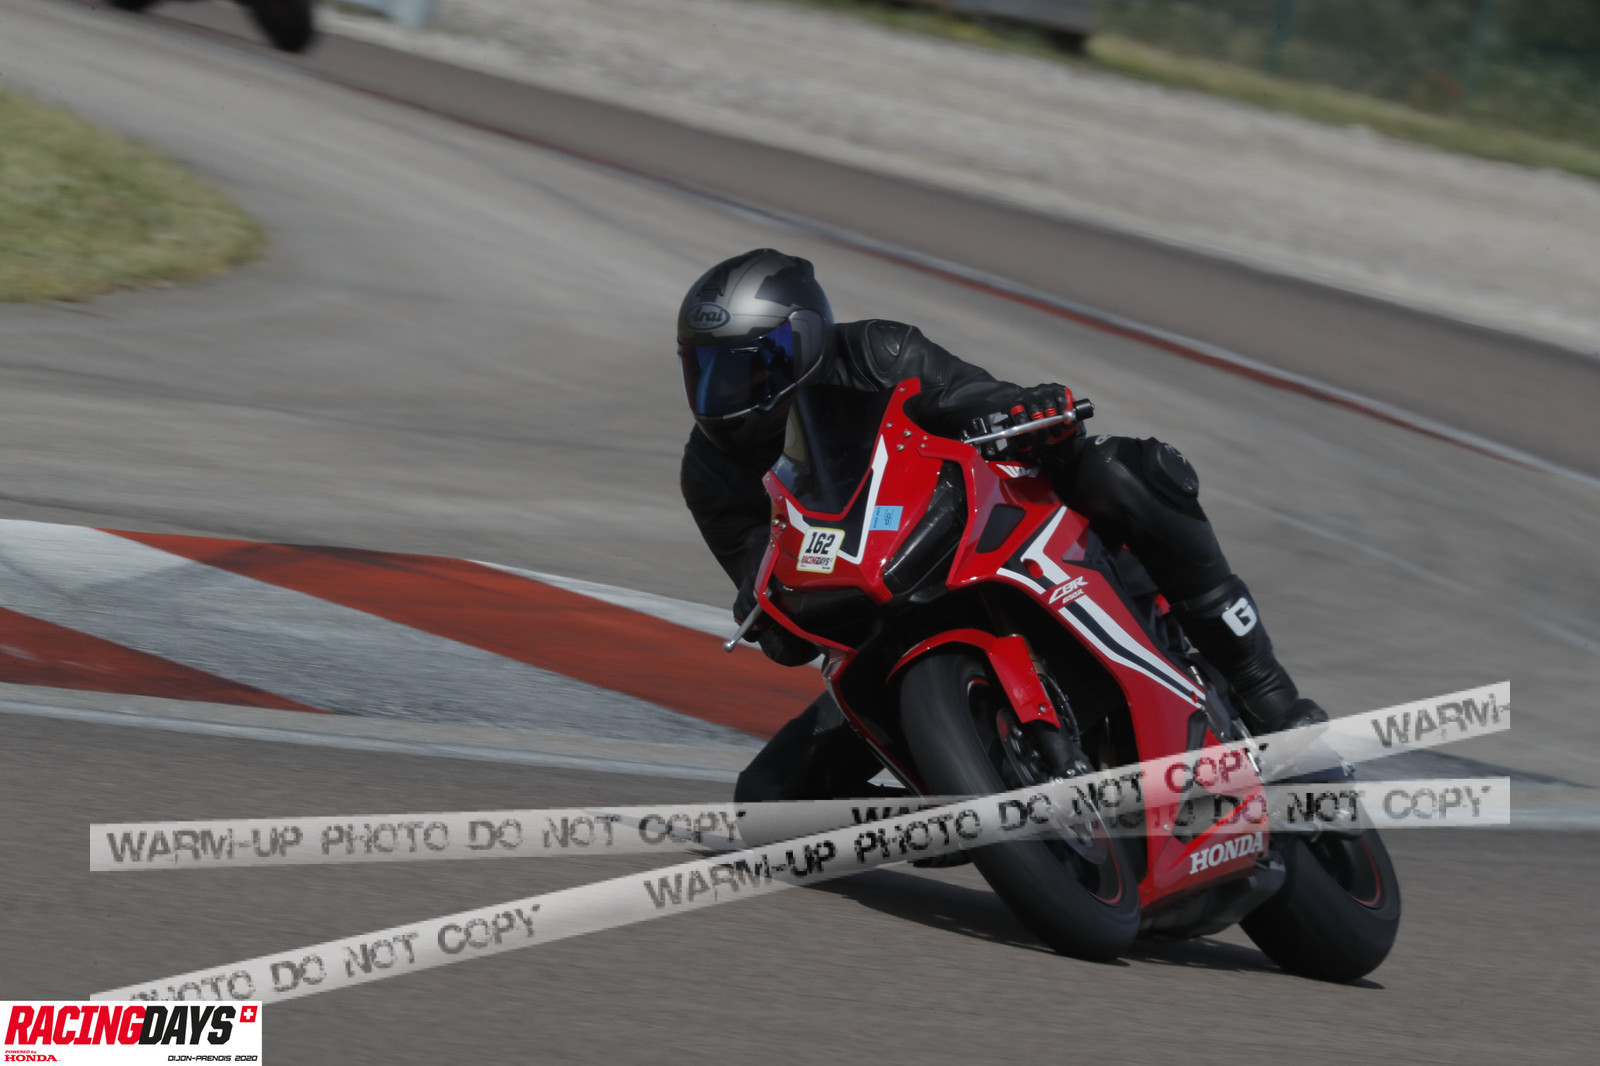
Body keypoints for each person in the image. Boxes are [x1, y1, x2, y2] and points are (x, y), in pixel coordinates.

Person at [677, 249, 1325, 804]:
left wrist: (1020, 409)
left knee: (1121, 469)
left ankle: (1267, 692)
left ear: (803, 342)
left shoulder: (878, 353)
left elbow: (970, 400)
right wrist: (764, 609)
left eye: (745, 369)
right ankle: (954, 814)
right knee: (764, 801)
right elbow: (766, 589)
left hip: (970, 546)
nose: (722, 394)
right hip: (879, 630)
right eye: (704, 372)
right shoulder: (710, 472)